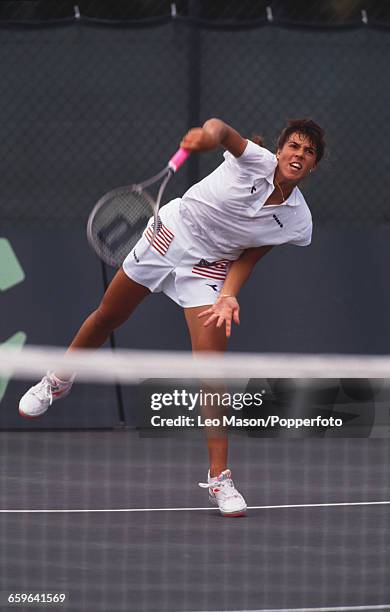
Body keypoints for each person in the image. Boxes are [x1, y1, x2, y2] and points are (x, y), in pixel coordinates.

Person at [19, 117, 325, 517]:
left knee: (211, 371)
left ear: (314, 165)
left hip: (209, 268)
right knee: (109, 315)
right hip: (170, 236)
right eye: (294, 147)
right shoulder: (254, 161)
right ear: (280, 150)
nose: (298, 155)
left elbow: (251, 255)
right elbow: (220, 130)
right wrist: (205, 137)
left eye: (308, 152)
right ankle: (58, 379)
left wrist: (229, 295)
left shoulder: (298, 220)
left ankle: (220, 479)